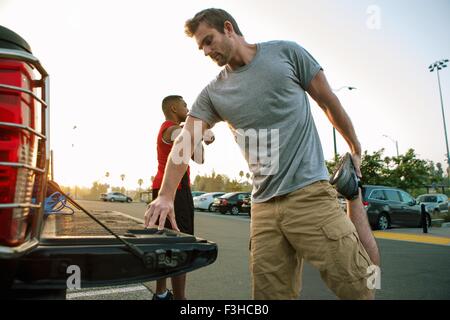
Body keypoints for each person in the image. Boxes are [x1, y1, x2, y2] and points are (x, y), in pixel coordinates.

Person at [145, 8, 379, 300]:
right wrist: (166, 194)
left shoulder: (287, 54)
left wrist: (355, 148)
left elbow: (328, 101)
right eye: (201, 46)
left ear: (228, 28)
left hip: (310, 196)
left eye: (209, 40)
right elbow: (184, 143)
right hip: (264, 210)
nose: (206, 51)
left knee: (357, 285)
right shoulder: (213, 93)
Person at [149, 95, 213, 300]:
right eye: (185, 105)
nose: (188, 108)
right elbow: (182, 136)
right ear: (174, 108)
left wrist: (199, 132)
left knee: (165, 244)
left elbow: (200, 158)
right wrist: (200, 130)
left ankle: (160, 294)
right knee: (180, 245)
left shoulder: (178, 130)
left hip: (165, 190)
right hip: (174, 191)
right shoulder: (170, 128)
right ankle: (180, 299)